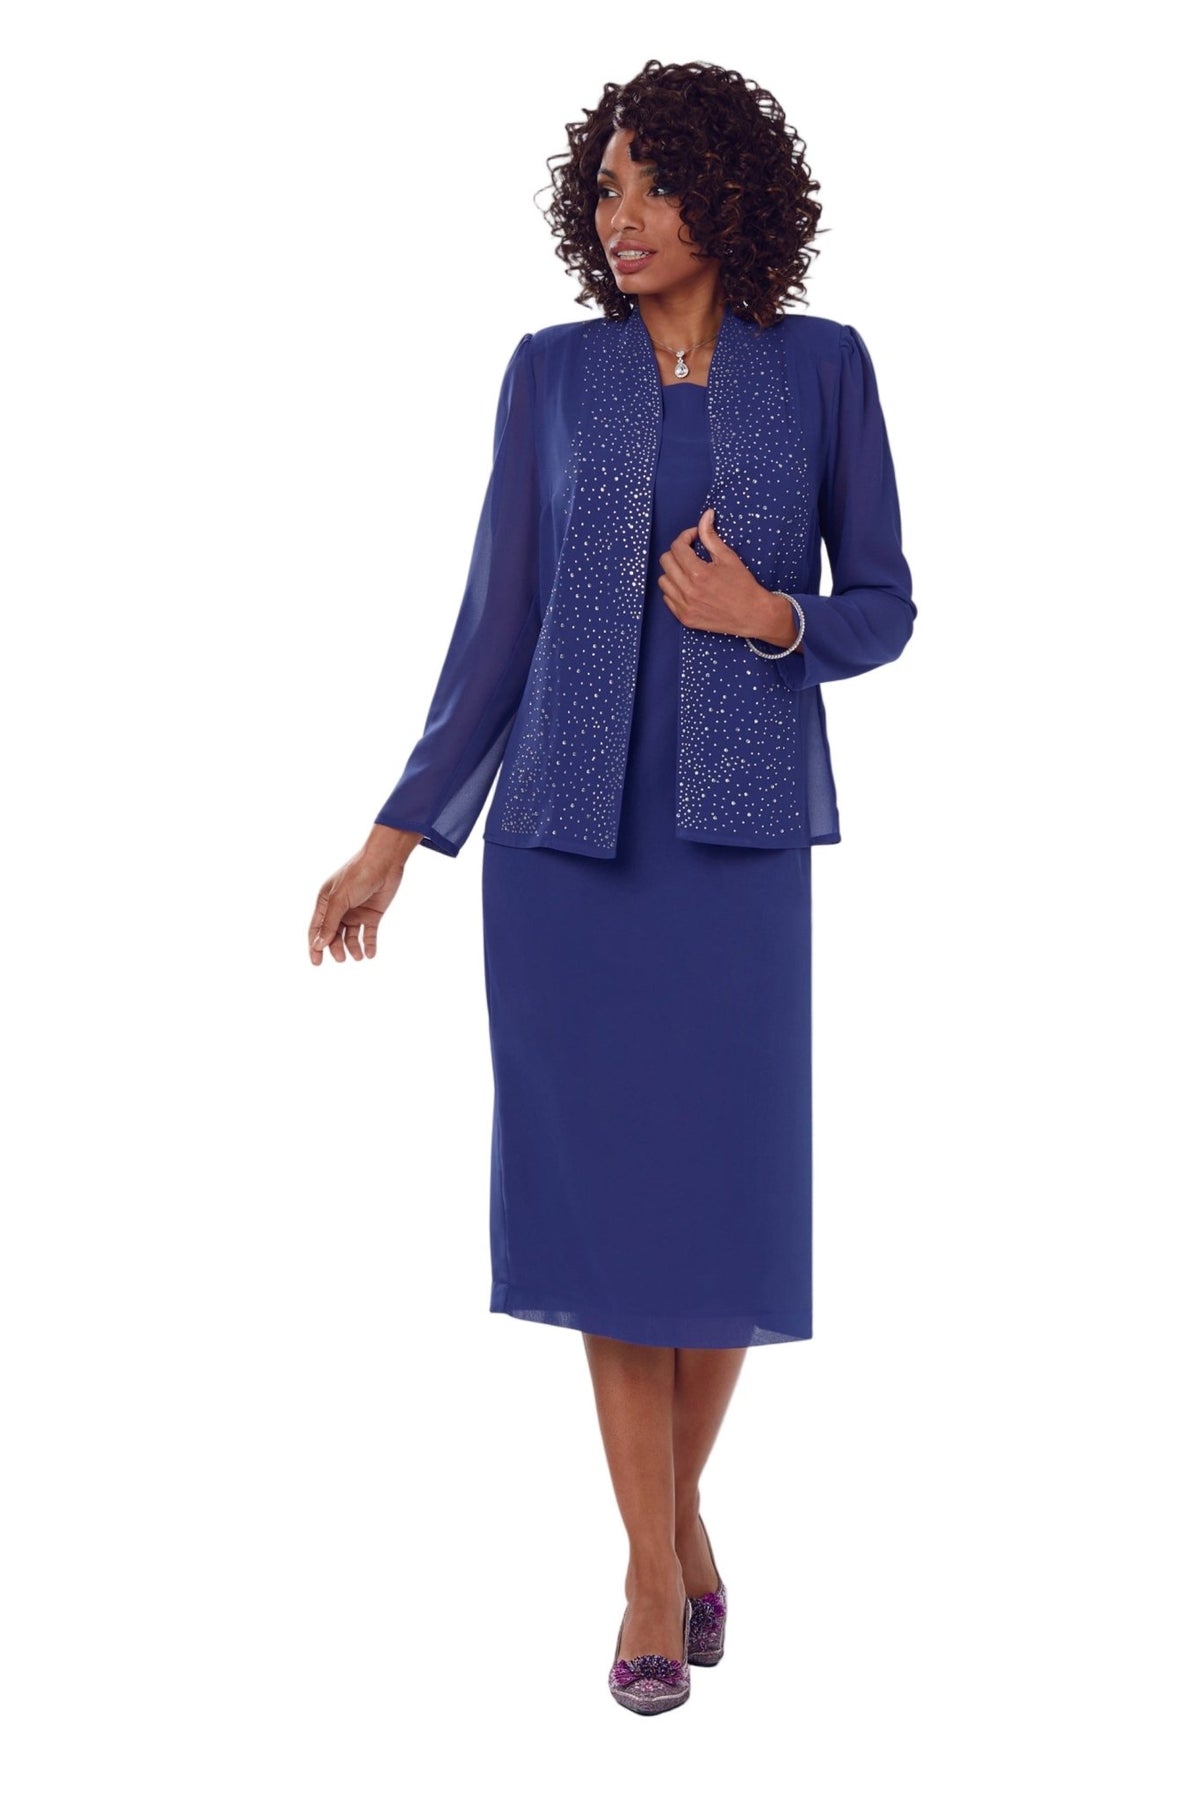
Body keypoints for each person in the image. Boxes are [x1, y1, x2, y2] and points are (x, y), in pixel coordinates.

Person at [308, 59, 915, 1715]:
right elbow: (494, 620)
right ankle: (656, 1567)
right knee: (608, 1209)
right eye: (605, 189)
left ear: (731, 197)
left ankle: (675, 1518)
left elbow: (883, 602)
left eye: (654, 185)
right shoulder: (552, 374)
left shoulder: (824, 368)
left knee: (717, 1205)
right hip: (564, 849)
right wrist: (398, 832)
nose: (620, 217)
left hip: (735, 851)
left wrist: (772, 620)